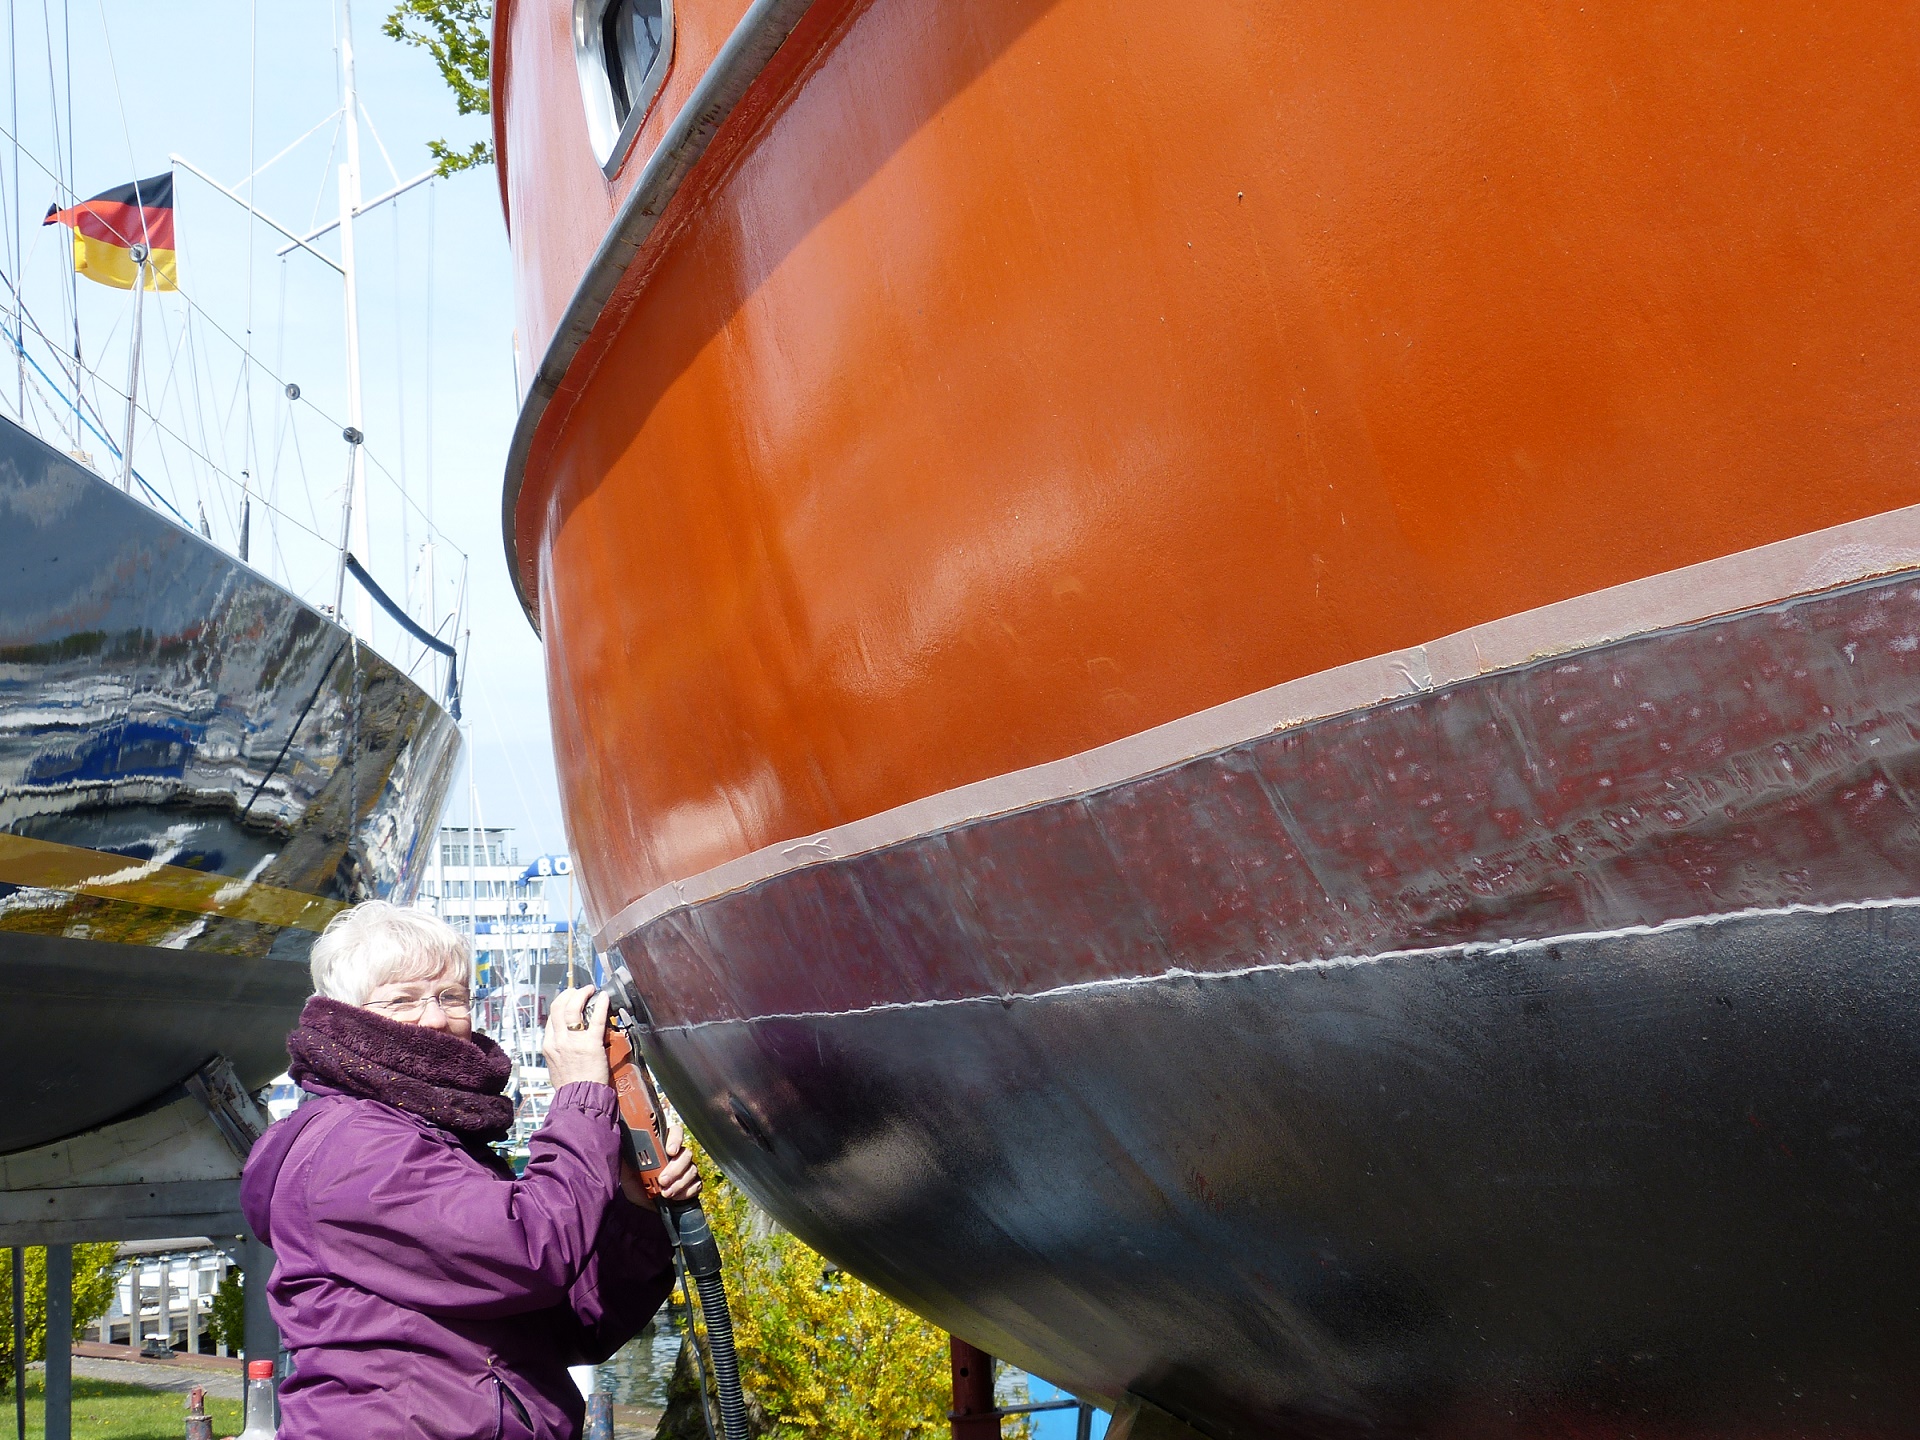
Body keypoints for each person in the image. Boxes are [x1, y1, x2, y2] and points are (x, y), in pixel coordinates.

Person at [240, 900, 700, 1439]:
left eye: (451, 996)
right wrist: (580, 1095)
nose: (436, 1018)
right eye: (403, 1000)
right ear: (347, 1016)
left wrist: (634, 1210)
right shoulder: (354, 1148)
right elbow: (528, 1253)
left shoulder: (436, 1137)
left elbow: (567, 1326)